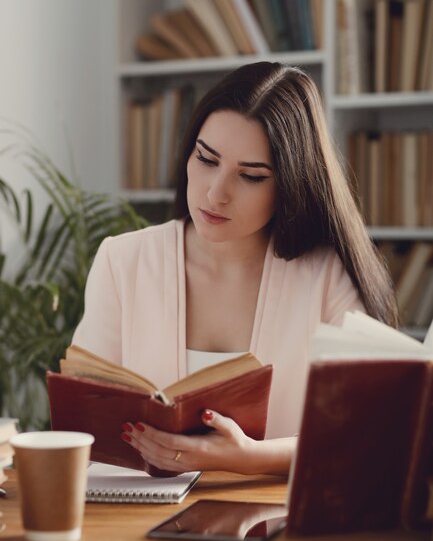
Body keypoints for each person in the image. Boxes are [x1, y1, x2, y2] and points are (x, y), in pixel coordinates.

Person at [72, 62, 398, 476]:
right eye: (206, 159)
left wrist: (249, 458)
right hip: (137, 521)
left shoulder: (325, 275)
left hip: (276, 522)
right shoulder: (123, 262)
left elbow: (377, 432)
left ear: (290, 185)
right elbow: (85, 429)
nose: (215, 193)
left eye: (250, 176)